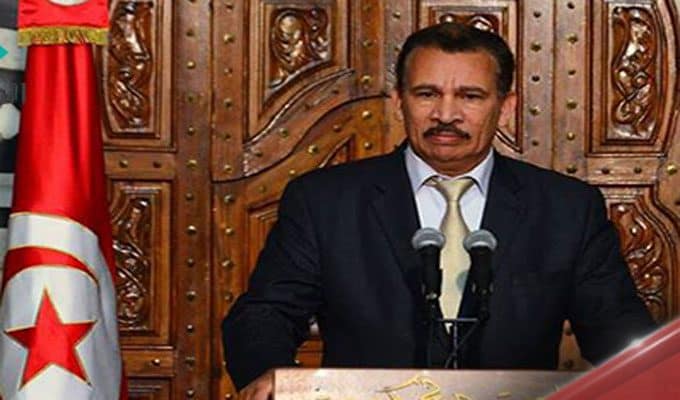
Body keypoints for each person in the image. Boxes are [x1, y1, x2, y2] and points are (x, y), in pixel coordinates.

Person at [222, 22, 655, 399]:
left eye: (470, 96)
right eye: (427, 94)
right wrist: (269, 373)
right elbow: (266, 313)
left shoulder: (566, 208)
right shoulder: (324, 201)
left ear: (506, 108)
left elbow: (616, 327)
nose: (446, 114)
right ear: (399, 101)